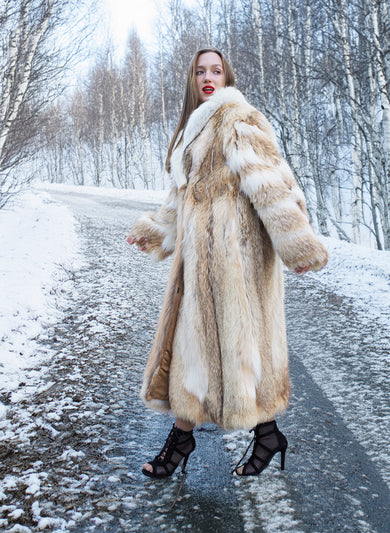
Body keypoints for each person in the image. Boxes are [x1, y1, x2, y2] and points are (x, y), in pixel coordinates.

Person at [126, 48, 328, 478]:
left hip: (238, 264)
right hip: (199, 268)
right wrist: (153, 231)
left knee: (237, 355)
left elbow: (271, 186)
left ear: (227, 76)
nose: (207, 77)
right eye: (200, 71)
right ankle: (248, 436)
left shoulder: (237, 119)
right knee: (199, 354)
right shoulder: (193, 130)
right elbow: (182, 200)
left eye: (216, 70)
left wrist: (297, 246)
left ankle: (194, 442)